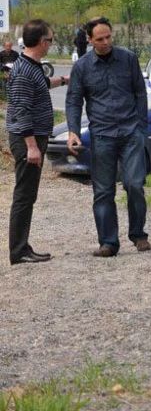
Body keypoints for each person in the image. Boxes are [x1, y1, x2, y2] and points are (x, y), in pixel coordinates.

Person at [66, 17, 150, 257]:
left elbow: (140, 94)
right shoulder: (82, 67)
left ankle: (138, 234)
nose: (106, 42)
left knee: (134, 184)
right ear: (90, 40)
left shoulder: (128, 59)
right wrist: (73, 130)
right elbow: (73, 100)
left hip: (130, 131)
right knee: (103, 191)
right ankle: (108, 242)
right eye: (100, 39)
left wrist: (141, 128)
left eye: (109, 37)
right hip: (102, 134)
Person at [6, 19, 71, 265]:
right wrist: (32, 146)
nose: (51, 44)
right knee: (24, 195)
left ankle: (22, 246)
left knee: (28, 194)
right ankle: (19, 250)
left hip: (34, 138)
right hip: (27, 141)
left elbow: (42, 85)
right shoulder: (24, 71)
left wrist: (64, 81)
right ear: (42, 42)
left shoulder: (30, 66)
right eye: (51, 40)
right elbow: (21, 111)